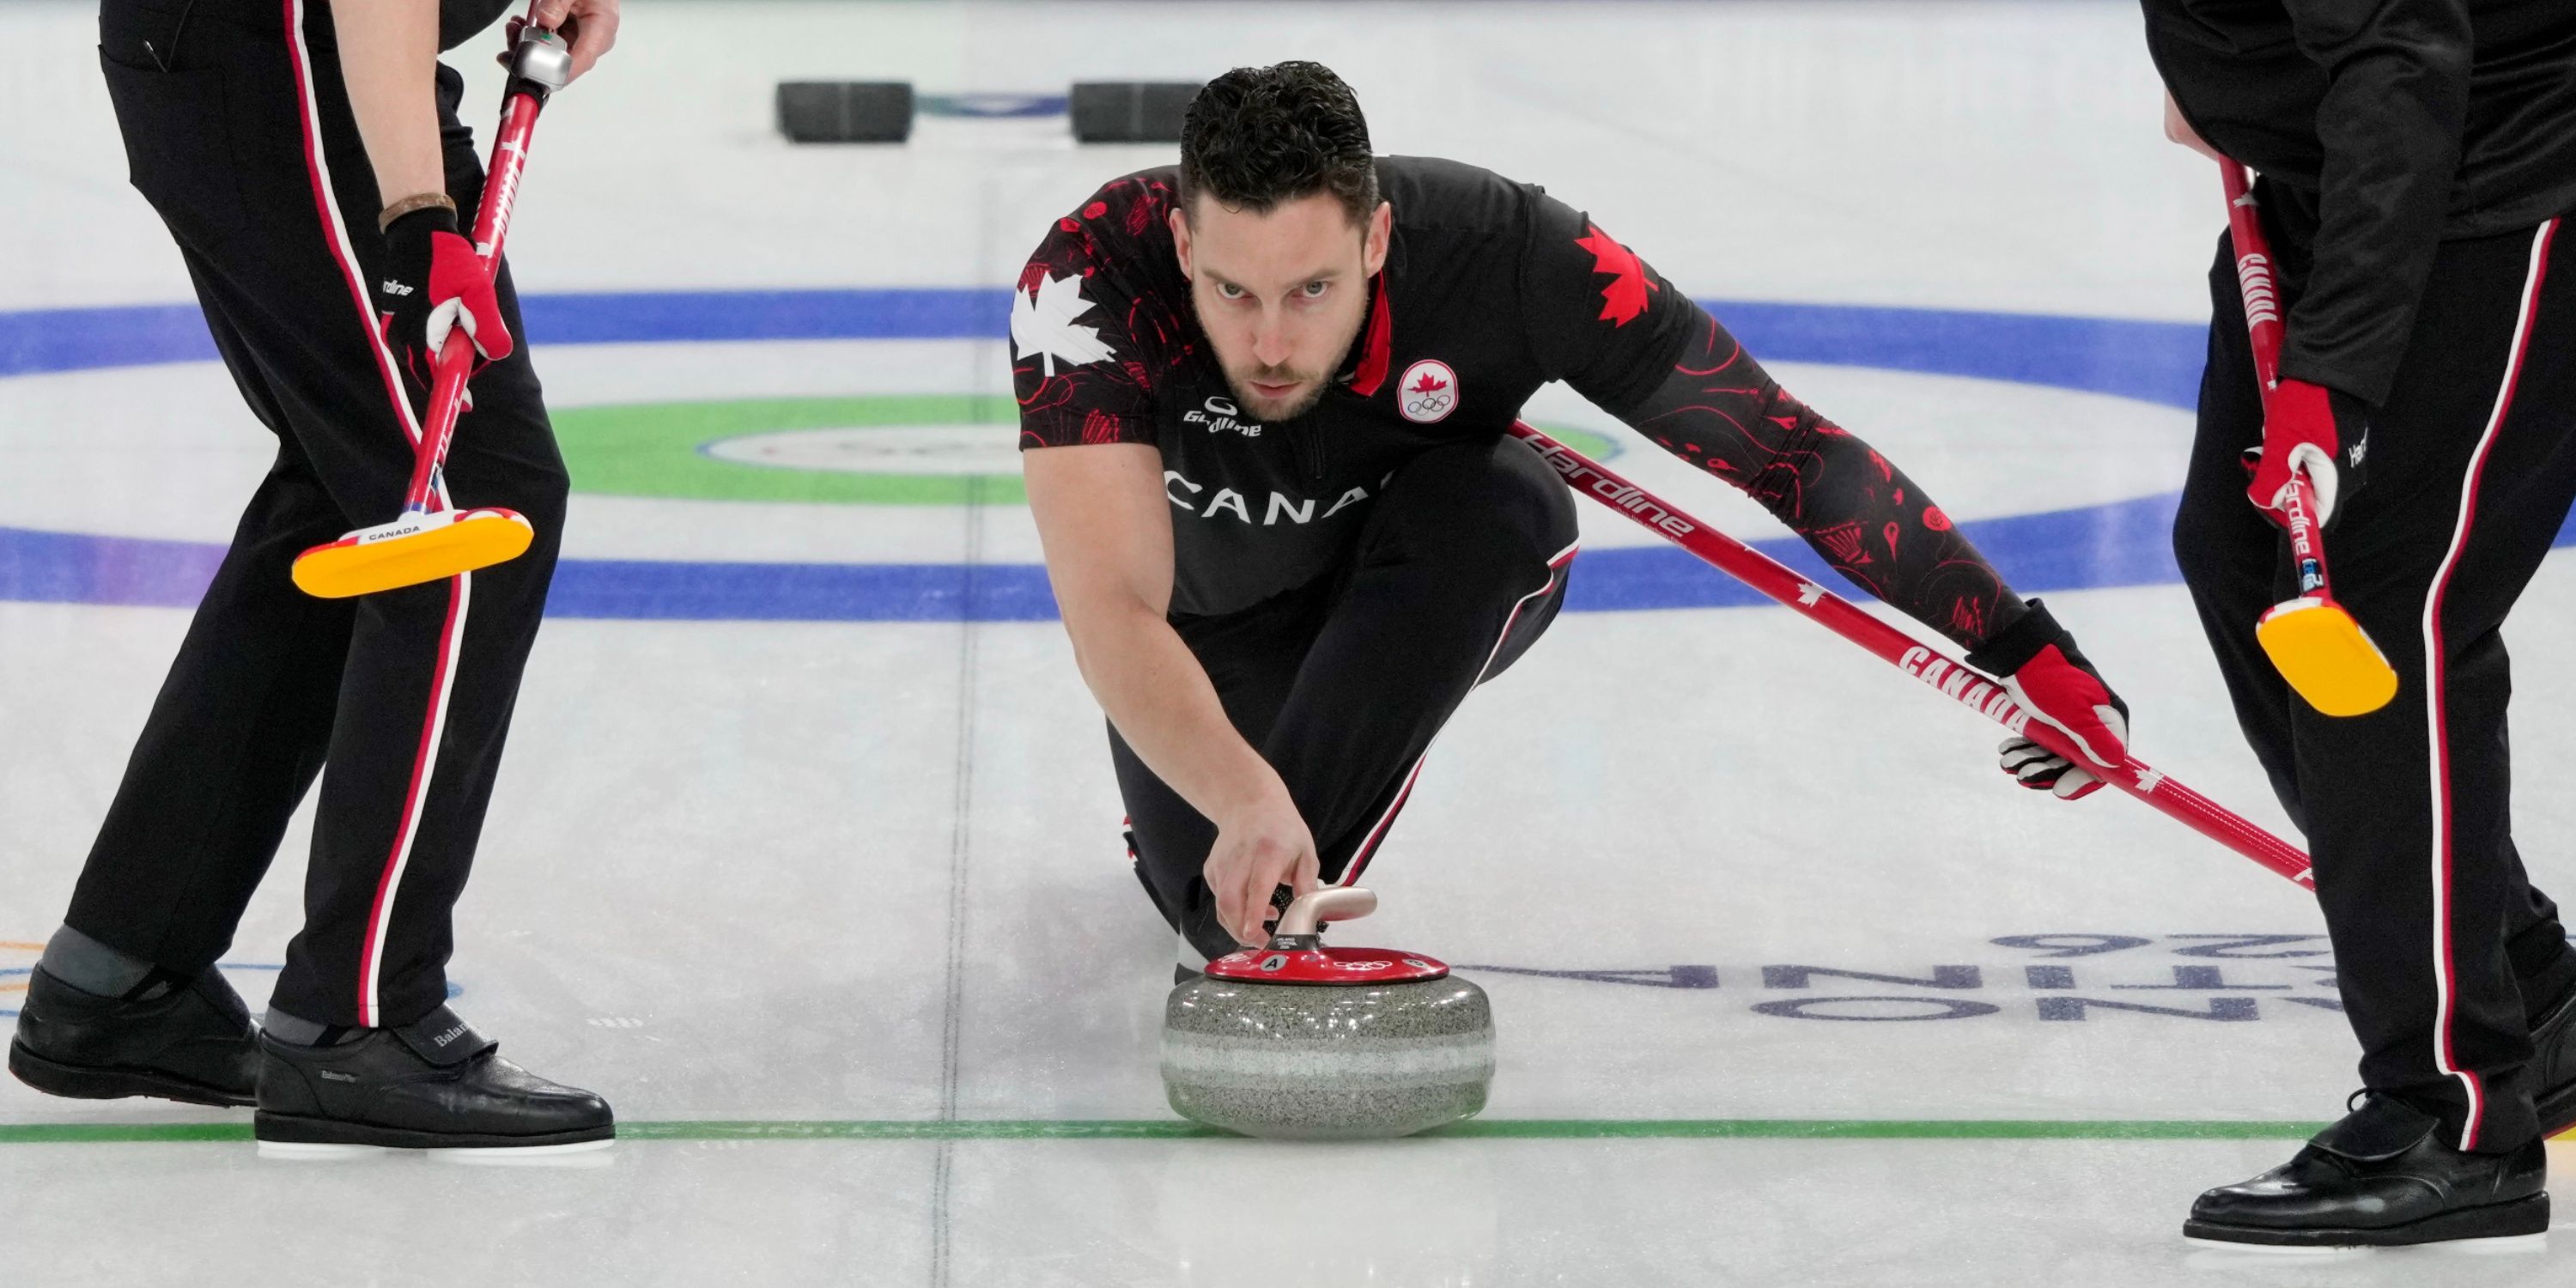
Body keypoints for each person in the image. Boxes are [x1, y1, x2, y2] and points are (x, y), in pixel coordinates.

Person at [1012, 61, 2133, 977]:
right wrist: (1244, 792)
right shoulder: (1088, 279)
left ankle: (1276, 873)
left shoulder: (1518, 260)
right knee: (1202, 886)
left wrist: (2022, 645)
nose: (1269, 343)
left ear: (1377, 240)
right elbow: (1112, 608)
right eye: (1232, 293)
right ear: (1183, 254)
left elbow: (1786, 450)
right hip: (1206, 630)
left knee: (1498, 501)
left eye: (1311, 289)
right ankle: (1239, 792)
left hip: (1421, 576)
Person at [6, 0, 620, 1156]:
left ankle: (120, 973)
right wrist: (415, 215)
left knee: (354, 488)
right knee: (467, 513)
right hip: (292, 70)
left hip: (251, 67)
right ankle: (359, 1019)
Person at [2147, 0, 2576, 1249]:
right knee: (2238, 558)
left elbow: (2400, 56)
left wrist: (2331, 381)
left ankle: (2454, 1113)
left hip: (2496, 183)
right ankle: (2530, 988)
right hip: (2343, 168)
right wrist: (2229, 65)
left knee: (2381, 616)